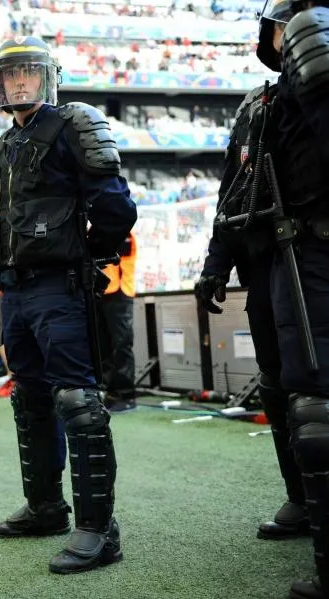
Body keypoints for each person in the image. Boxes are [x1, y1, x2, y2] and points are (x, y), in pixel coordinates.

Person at [0, 37, 137, 573]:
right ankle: (46, 508)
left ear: (46, 78)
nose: (19, 83)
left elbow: (114, 204)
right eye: (11, 76)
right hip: (19, 291)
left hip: (60, 285)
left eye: (28, 73)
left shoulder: (74, 122)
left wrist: (85, 255)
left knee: (77, 400)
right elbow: (1, 218)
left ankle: (99, 530)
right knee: (31, 397)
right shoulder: (4, 144)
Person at [196, 0, 308, 546]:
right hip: (266, 266)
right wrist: (216, 265)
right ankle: (304, 497)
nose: (299, 34)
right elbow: (232, 194)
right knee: (279, 385)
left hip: (316, 258)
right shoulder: (253, 105)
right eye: (289, 25)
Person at [265, 0, 329, 595]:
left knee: (316, 411)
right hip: (295, 254)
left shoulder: (312, 67)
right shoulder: (275, 97)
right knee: (306, 405)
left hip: (316, 257)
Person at [98, 233, 138, 412]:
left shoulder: (123, 232)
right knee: (103, 345)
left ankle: (126, 393)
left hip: (119, 291)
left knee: (122, 344)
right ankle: (110, 392)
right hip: (100, 291)